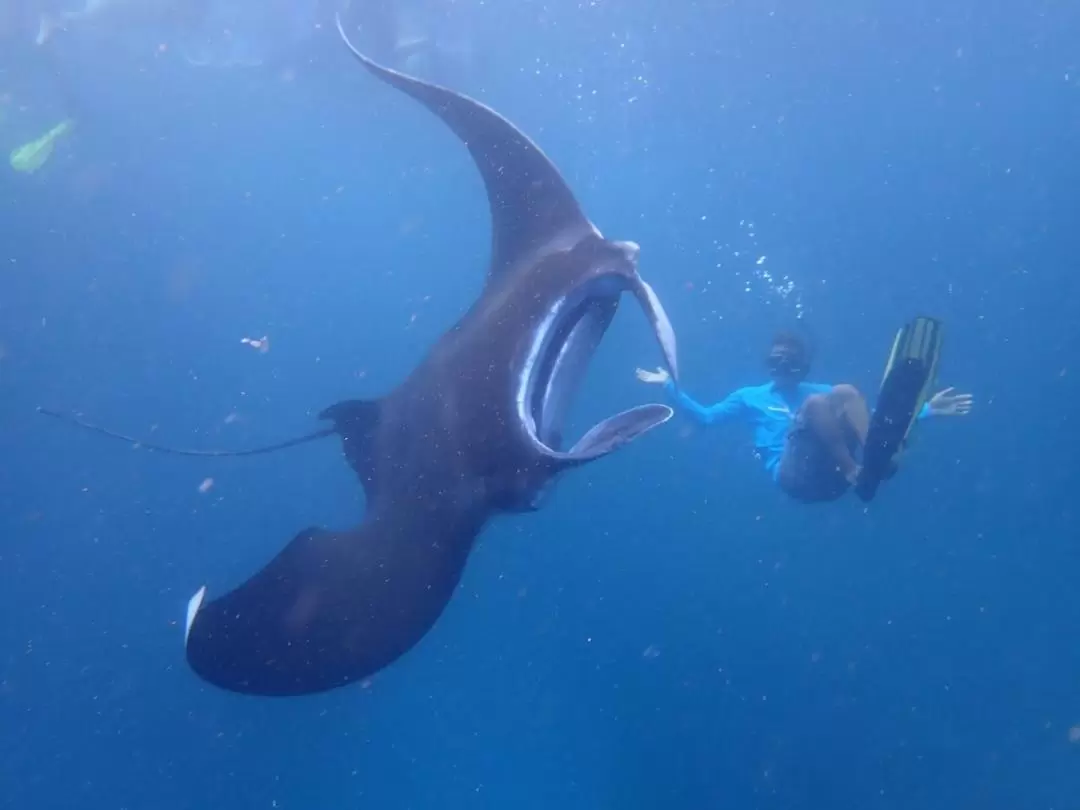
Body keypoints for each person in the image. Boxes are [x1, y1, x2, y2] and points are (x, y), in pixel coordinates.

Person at [636, 330, 972, 503]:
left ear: (803, 367)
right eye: (776, 363)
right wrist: (668, 386)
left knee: (846, 391)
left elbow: (867, 416)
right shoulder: (749, 397)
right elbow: (706, 418)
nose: (782, 370)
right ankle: (859, 471)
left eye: (790, 364)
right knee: (816, 404)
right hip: (795, 478)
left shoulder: (818, 389)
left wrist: (928, 410)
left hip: (834, 480)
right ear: (768, 364)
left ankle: (875, 463)